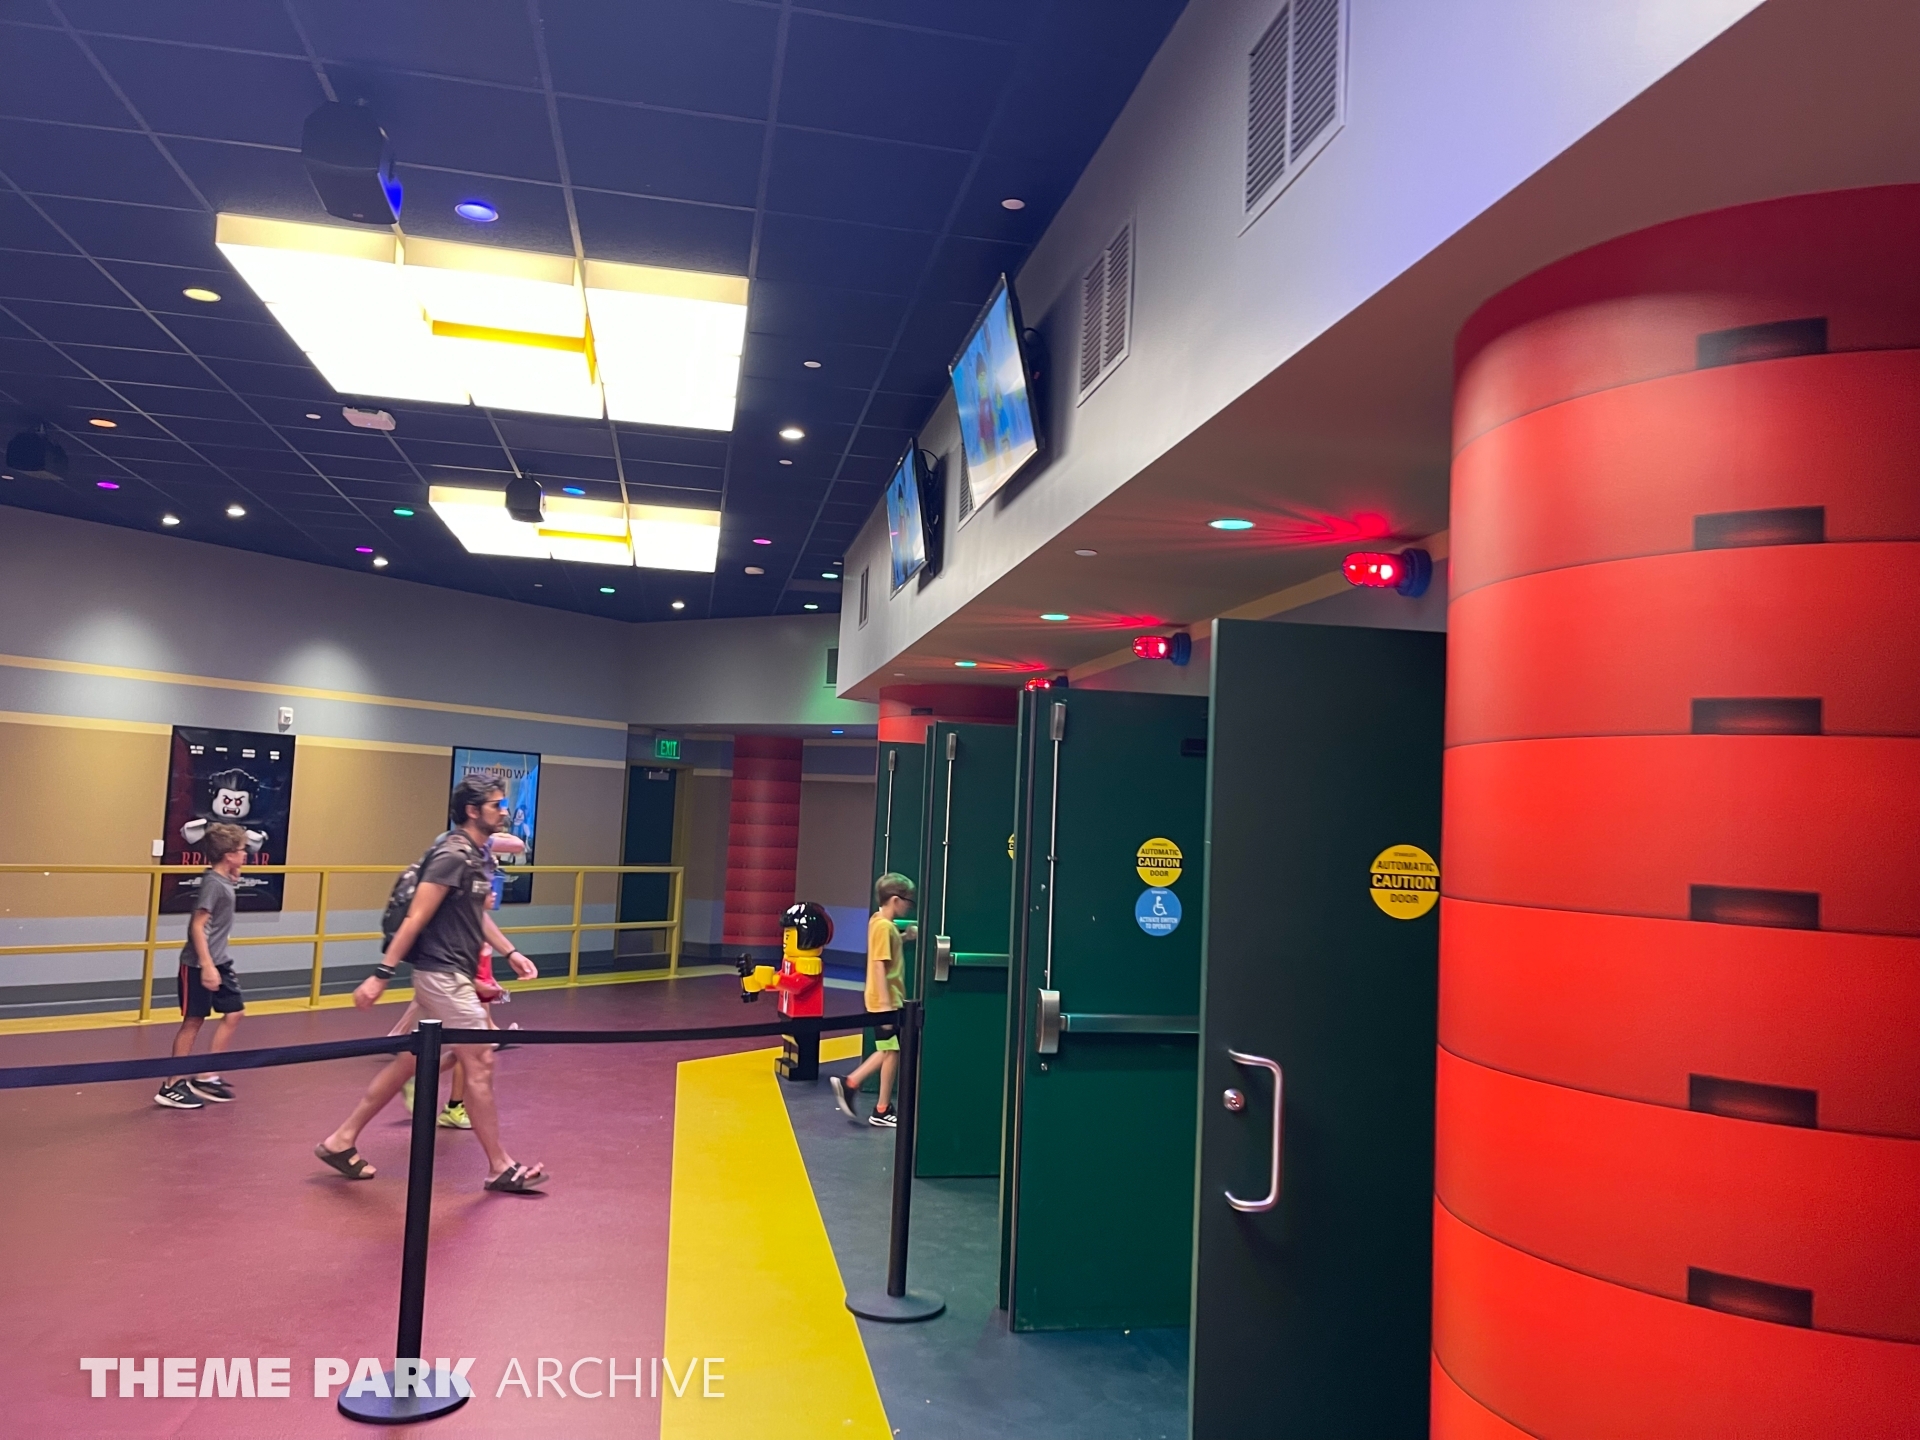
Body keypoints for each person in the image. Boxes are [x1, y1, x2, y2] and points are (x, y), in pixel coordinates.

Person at [313, 776, 547, 1193]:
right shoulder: (451, 855)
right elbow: (416, 917)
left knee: (409, 1062)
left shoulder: (477, 854)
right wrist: (381, 975)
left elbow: (475, 916)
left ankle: (340, 1140)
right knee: (480, 1061)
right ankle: (500, 1166)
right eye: (496, 805)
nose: (504, 812)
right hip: (441, 977)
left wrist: (510, 952)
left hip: (450, 975)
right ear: (472, 811)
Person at [154, 822, 249, 1109]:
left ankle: (207, 1075)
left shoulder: (223, 880)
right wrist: (207, 966)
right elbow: (197, 926)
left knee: (235, 1013)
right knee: (193, 1021)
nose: (246, 854)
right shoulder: (212, 884)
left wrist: (234, 876)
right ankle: (171, 1085)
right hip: (198, 963)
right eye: (242, 850)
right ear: (228, 855)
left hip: (220, 961)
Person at [829, 873, 915, 1128]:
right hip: (884, 1001)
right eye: (908, 901)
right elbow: (879, 966)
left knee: (891, 1051)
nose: (909, 906)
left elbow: (886, 948)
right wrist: (887, 1007)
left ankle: (879, 1105)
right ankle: (856, 1087)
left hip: (886, 1000)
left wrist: (905, 937)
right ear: (896, 900)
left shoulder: (879, 922)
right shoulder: (883, 927)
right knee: (890, 1050)